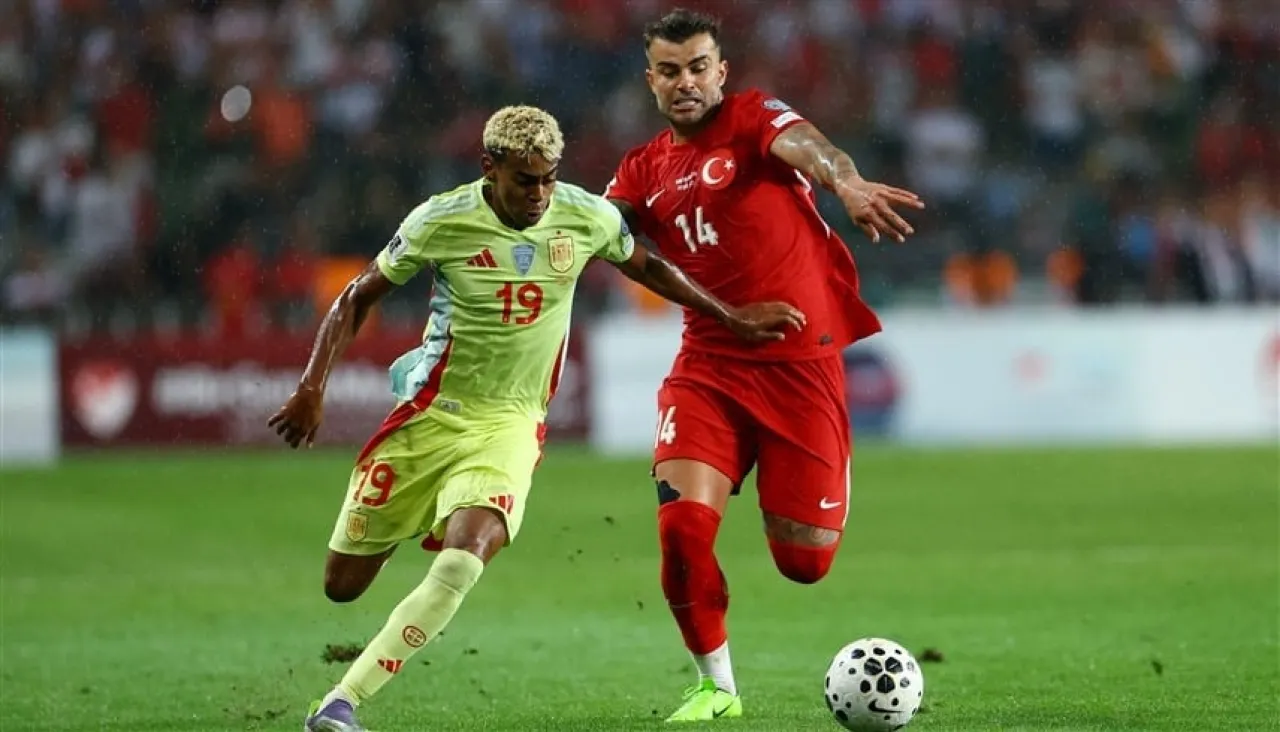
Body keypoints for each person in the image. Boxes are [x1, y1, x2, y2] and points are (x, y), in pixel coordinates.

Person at [268, 105, 804, 732]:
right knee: (342, 585)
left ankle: (341, 702)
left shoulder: (584, 216)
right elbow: (357, 295)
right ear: (489, 168)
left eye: (550, 177)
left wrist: (731, 317)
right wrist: (312, 386)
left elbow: (648, 266)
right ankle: (412, 516)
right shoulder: (441, 219)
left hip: (510, 425)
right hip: (430, 416)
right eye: (526, 180)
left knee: (464, 558)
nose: (540, 194)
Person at [603, 9, 926, 722]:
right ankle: (716, 688)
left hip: (798, 368)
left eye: (698, 67)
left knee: (804, 562)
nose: (685, 82)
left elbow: (811, 147)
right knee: (682, 532)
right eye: (669, 71)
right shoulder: (641, 169)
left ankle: (822, 480)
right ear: (651, 80)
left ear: (720, 71)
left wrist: (846, 182)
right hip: (707, 368)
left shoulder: (752, 118)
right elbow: (603, 235)